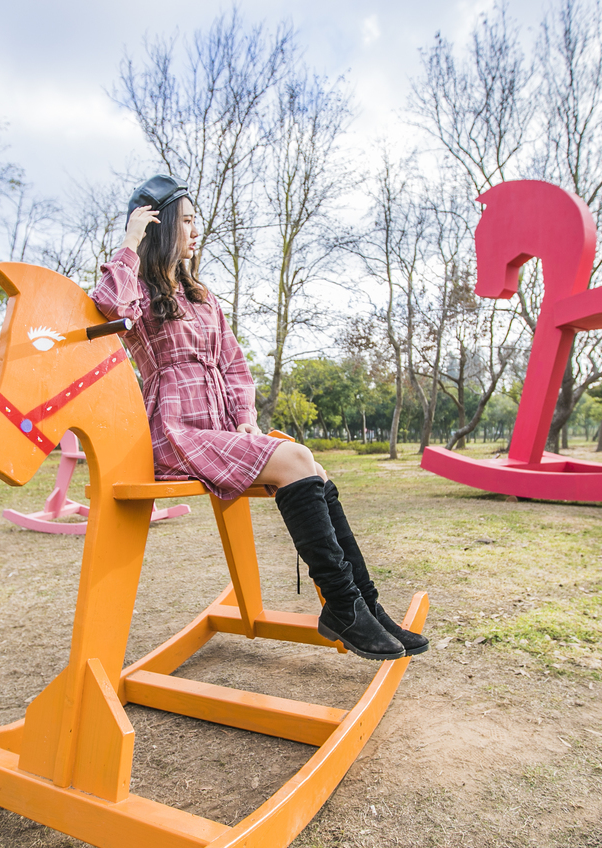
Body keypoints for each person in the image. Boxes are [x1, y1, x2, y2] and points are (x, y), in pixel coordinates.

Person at [90, 174, 428, 661]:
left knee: (313, 468)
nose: (195, 231)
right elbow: (107, 308)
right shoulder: (139, 291)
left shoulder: (202, 297)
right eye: (186, 221)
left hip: (221, 432)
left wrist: (245, 418)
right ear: (159, 228)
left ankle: (363, 605)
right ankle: (344, 606)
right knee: (296, 458)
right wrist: (130, 242)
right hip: (176, 432)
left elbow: (234, 365)